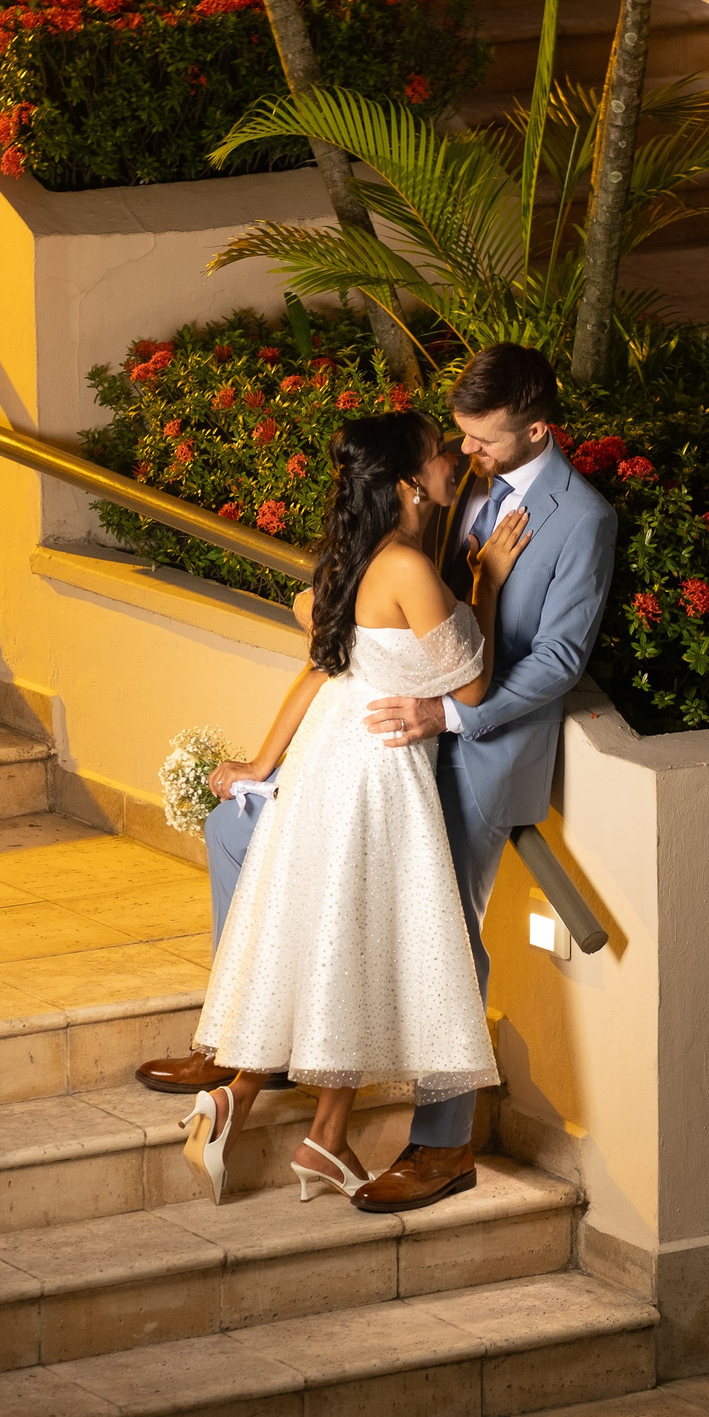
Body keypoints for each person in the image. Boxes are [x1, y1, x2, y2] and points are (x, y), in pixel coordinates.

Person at [141, 343, 620, 1213]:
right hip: (382, 742)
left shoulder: (581, 518)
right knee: (243, 834)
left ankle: (441, 1147)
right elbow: (375, 608)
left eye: (480, 440)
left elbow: (555, 658)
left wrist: (452, 716)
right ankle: (253, 1045)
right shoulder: (450, 486)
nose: (465, 454)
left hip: (474, 746)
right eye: (457, 442)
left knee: (445, 933)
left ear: (535, 429)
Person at [173, 408, 532, 1205]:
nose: (454, 462)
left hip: (329, 757)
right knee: (361, 940)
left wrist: (264, 763)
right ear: (409, 483)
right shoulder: (405, 566)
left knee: (338, 939)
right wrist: (486, 585)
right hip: (380, 766)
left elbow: (322, 659)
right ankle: (312, 1133)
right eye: (441, 455)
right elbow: (471, 686)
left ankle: (290, 1121)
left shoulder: (353, 555)